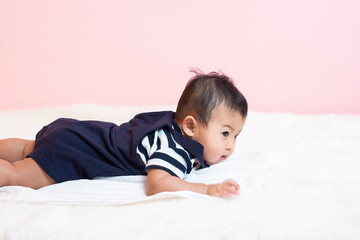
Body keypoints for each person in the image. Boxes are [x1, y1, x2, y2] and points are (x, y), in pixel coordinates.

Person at [0, 70, 248, 198]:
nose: (230, 146)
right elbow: (157, 183)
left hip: (75, 131)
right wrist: (205, 189)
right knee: (16, 175)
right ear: (191, 127)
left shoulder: (169, 124)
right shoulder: (176, 150)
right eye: (225, 134)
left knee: (26, 148)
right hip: (73, 153)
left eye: (236, 135)